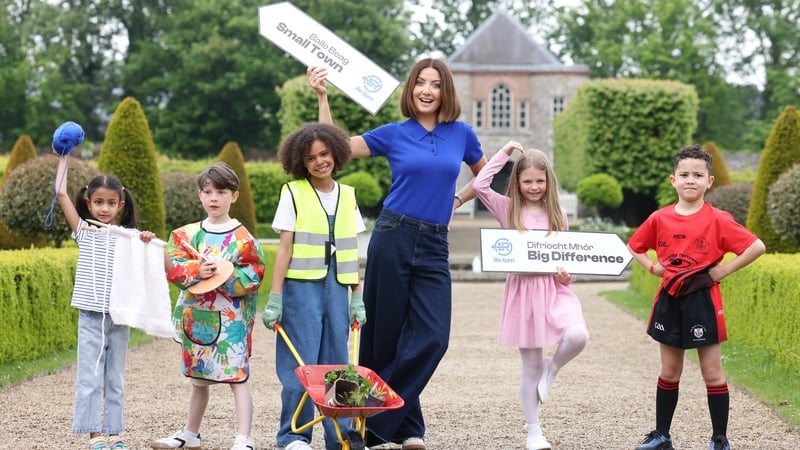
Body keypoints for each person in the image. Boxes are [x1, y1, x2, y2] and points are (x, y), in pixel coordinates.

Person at [307, 58, 487, 450]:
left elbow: (485, 175)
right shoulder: (395, 133)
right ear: (411, 89)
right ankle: (407, 427)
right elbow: (337, 149)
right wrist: (323, 96)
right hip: (393, 235)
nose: (426, 90)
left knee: (433, 336)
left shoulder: (462, 134)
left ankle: (367, 416)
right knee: (385, 336)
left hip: (436, 244)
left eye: (434, 84)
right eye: (420, 83)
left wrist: (457, 199)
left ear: (445, 92)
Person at [627, 145, 766, 450]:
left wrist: (722, 271)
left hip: (702, 300)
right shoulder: (659, 218)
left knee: (712, 372)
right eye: (684, 174)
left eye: (698, 175)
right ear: (673, 180)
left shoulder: (719, 219)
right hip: (669, 299)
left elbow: (757, 246)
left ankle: (719, 439)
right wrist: (652, 266)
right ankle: (662, 435)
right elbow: (635, 245)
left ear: (710, 181)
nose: (691, 180)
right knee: (669, 371)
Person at [473, 142, 589, 450]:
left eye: (540, 181)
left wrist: (569, 276)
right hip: (523, 293)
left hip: (554, 290)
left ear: (548, 181)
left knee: (578, 336)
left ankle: (552, 369)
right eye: (528, 181)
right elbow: (480, 184)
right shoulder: (508, 208)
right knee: (529, 366)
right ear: (518, 183)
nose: (534, 187)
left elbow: (568, 260)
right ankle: (534, 431)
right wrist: (505, 153)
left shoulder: (557, 213)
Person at [262, 122, 367, 450]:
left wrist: (357, 297)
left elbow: (351, 249)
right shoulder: (293, 193)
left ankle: (342, 436)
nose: (320, 161)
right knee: (301, 365)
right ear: (300, 162)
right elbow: (285, 248)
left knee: (339, 364)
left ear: (336, 153)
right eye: (311, 158)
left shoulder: (348, 196)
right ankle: (294, 437)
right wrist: (275, 296)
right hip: (301, 291)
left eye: (324, 154)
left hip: (338, 290)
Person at [151, 162, 265, 450]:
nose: (214, 198)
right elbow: (174, 267)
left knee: (236, 376)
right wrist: (195, 272)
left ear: (234, 196)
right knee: (198, 379)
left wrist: (222, 274)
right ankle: (190, 433)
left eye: (221, 192)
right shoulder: (186, 235)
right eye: (207, 191)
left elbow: (253, 275)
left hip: (231, 320)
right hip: (196, 316)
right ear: (199, 195)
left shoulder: (244, 239)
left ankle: (243, 437)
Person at [55, 152, 158, 450]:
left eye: (111, 203)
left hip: (119, 315)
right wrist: (63, 157)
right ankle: (93, 434)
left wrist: (147, 241)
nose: (104, 208)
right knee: (89, 378)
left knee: (115, 378)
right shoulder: (84, 232)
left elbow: (149, 261)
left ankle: (115, 433)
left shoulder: (131, 236)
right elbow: (60, 192)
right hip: (90, 315)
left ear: (120, 205)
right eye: (98, 202)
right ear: (88, 203)